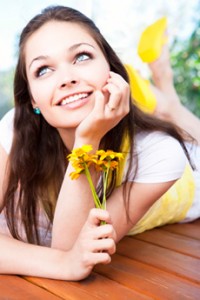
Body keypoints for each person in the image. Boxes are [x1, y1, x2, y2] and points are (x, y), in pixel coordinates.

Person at [0, 5, 199, 281]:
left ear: (111, 68)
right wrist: (64, 264)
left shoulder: (159, 151)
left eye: (81, 56)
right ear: (33, 99)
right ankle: (163, 96)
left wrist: (88, 140)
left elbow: (72, 251)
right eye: (43, 70)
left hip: (187, 182)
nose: (67, 78)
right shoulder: (15, 129)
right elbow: (68, 258)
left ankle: (167, 99)